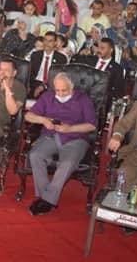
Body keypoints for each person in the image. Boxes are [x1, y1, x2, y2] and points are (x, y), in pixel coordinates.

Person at [23, 72, 98, 214]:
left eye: (64, 90)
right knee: (35, 155)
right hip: (50, 136)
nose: (61, 94)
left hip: (75, 138)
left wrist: (70, 128)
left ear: (72, 87)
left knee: (68, 163)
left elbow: (91, 125)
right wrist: (44, 120)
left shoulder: (83, 100)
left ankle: (46, 200)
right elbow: (28, 116)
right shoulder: (48, 97)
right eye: (57, 90)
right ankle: (46, 198)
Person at [28, 31, 69, 97]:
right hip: (35, 83)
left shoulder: (61, 58)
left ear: (55, 43)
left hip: (51, 85)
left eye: (50, 41)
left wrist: (43, 86)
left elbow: (59, 77)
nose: (47, 43)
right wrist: (27, 86)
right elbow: (29, 73)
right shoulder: (35, 55)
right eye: (45, 40)